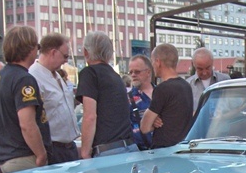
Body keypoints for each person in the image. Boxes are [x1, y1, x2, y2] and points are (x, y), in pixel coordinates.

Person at [0, 26, 50, 173]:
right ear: (29, 48)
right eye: (37, 46)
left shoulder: (1, 76)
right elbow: (27, 124)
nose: (38, 50)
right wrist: (41, 154)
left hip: (7, 154)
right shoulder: (24, 79)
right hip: (25, 156)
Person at [76, 31, 138, 159]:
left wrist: (85, 152)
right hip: (128, 147)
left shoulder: (89, 74)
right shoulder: (116, 77)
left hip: (107, 150)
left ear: (86, 52)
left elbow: (90, 116)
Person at [29, 33, 80, 164]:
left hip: (69, 147)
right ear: (53, 52)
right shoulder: (33, 77)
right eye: (65, 56)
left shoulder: (57, 75)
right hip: (53, 148)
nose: (66, 61)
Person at [140, 43, 193, 148]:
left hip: (163, 150)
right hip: (183, 147)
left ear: (158, 62)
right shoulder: (186, 86)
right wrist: (155, 119)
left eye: (152, 61)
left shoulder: (162, 89)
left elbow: (144, 127)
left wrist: (153, 121)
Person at [127, 55, 155, 150]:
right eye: (131, 72)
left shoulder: (161, 93)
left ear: (148, 72)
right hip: (141, 153)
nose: (133, 75)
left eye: (137, 71)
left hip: (165, 149)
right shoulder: (127, 99)